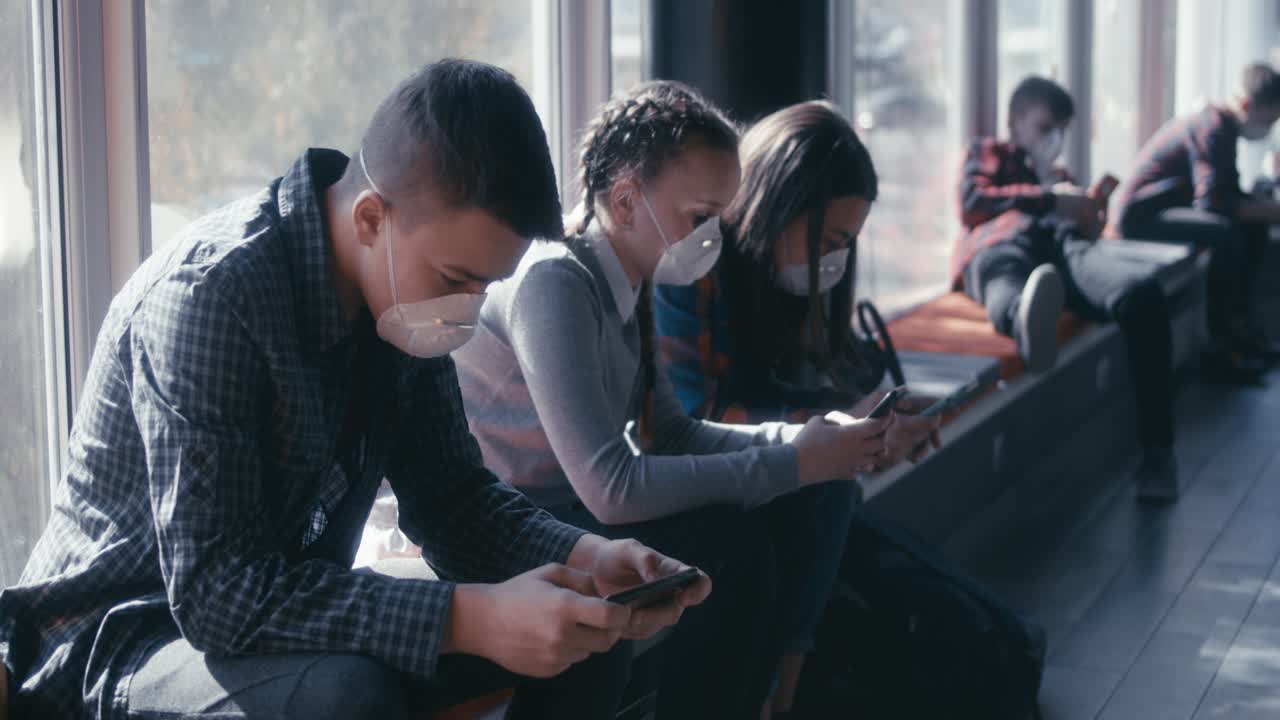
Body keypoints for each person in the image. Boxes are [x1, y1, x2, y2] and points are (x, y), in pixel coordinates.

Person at [0, 60, 707, 720]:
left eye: (487, 287)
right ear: (371, 218)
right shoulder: (214, 295)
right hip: (119, 635)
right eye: (459, 280)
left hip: (282, 613)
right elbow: (217, 594)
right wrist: (470, 618)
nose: (469, 307)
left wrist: (584, 557)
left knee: (579, 634)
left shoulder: (403, 302)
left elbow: (454, 499)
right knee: (344, 695)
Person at [452, 81, 892, 719]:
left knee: (790, 514)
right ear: (626, 200)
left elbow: (675, 432)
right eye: (700, 216)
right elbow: (609, 484)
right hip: (510, 521)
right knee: (730, 550)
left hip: (564, 509)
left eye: (720, 215)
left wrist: (802, 444)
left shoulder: (631, 280)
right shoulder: (556, 281)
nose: (715, 236)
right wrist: (795, 461)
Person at [652, 100, 944, 715]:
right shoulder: (691, 264)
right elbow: (692, 417)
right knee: (819, 492)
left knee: (830, 486)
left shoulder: (772, 275)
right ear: (781, 207)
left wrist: (870, 424)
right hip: (667, 462)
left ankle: (782, 688)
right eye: (831, 240)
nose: (836, 261)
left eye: (847, 244)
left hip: (727, 453)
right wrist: (833, 435)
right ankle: (779, 692)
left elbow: (787, 391)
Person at [952, 76, 1180, 502]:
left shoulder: (1061, 175)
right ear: (1014, 122)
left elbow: (1085, 232)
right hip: (1001, 240)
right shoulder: (989, 152)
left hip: (1064, 247)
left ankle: (1159, 455)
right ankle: (1024, 316)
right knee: (1003, 276)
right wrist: (1050, 199)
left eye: (1061, 130)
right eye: (1044, 128)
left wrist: (1090, 213)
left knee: (1142, 293)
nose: (1054, 139)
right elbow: (972, 201)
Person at [1112, 62, 1280, 378]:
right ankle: (1220, 343)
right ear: (1246, 105)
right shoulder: (1212, 127)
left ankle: (1242, 329)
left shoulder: (1223, 127)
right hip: (1139, 216)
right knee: (1227, 234)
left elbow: (1227, 193)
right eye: (1268, 120)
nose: (1268, 129)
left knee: (1253, 227)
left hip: (1162, 210)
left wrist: (1265, 209)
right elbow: (1213, 203)